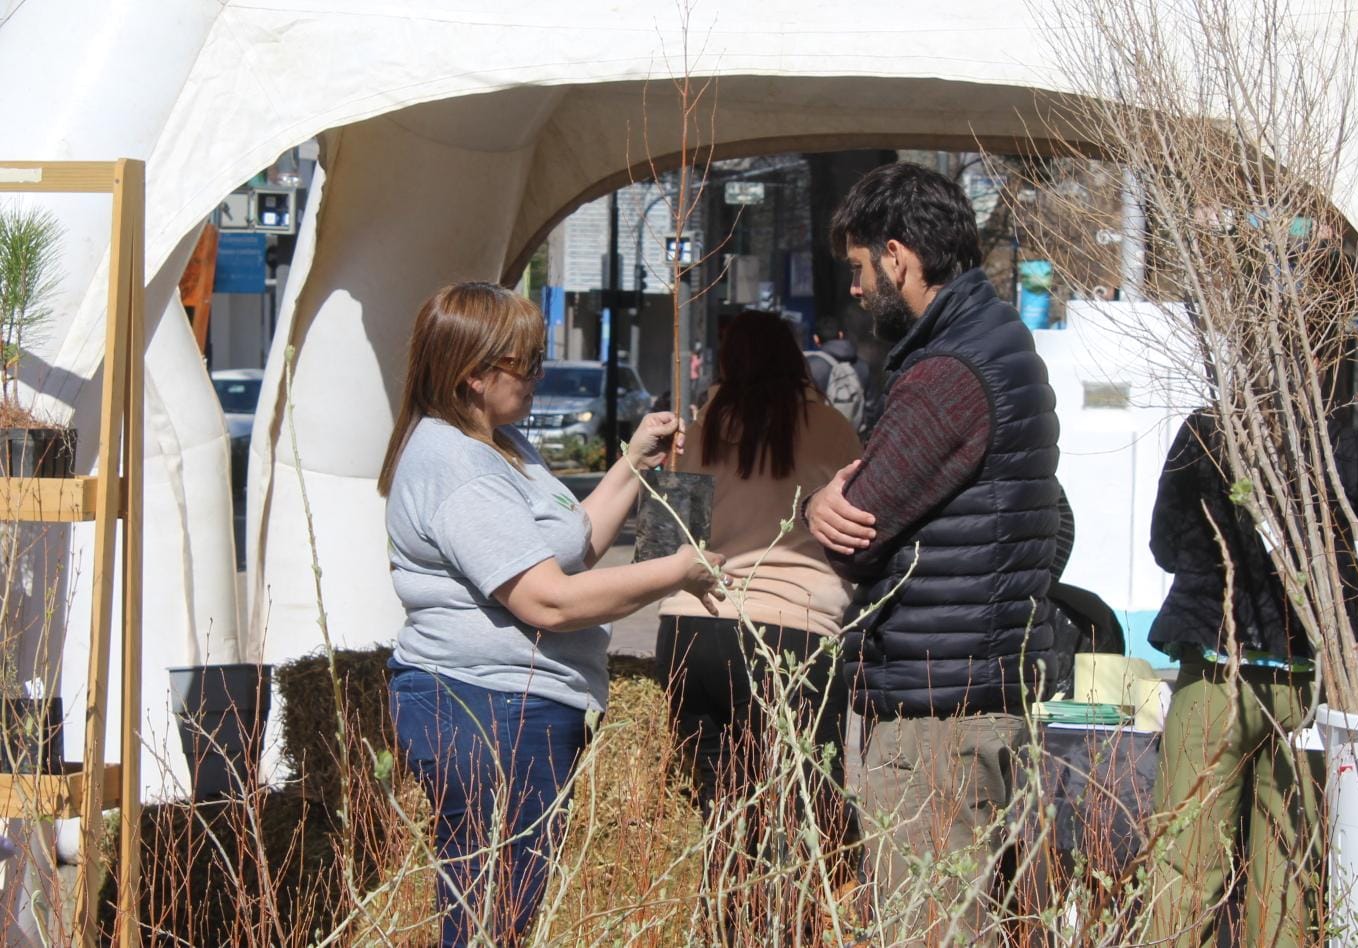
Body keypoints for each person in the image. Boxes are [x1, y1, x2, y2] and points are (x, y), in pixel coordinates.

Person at [378, 281, 726, 948]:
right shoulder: (460, 467)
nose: (539, 376)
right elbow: (547, 600)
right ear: (476, 374)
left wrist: (631, 464)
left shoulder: (499, 446)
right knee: (492, 913)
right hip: (485, 708)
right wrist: (674, 572)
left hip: (504, 705)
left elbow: (570, 548)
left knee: (502, 905)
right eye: (527, 363)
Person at [804, 161, 1061, 942]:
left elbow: (855, 529)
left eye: (857, 268)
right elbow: (1059, 521)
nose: (853, 289)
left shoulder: (946, 371)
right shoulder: (999, 343)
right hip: (980, 691)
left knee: (926, 929)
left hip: (934, 713)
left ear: (896, 256)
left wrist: (821, 508)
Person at [1144, 407, 1358, 947]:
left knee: (1183, 870)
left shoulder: (1208, 432)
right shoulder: (1345, 442)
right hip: (1313, 686)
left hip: (1219, 673)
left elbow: (1164, 547)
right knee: (1290, 887)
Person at [655, 308, 864, 937]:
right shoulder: (829, 428)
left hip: (691, 630)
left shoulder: (698, 429)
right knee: (804, 812)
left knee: (716, 814)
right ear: (795, 357)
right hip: (792, 635)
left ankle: (723, 930)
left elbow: (662, 541)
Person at [805, 316, 870, 432]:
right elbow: (871, 408)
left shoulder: (810, 365)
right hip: (853, 439)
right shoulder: (862, 366)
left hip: (821, 436)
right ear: (840, 335)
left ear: (816, 339)